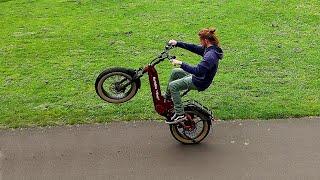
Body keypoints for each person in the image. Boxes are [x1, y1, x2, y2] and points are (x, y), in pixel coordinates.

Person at [164, 28, 224, 124]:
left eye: (200, 40)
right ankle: (167, 99)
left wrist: (180, 63)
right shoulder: (209, 48)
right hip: (200, 77)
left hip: (200, 81)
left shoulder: (211, 56)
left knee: (173, 86)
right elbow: (193, 47)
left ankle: (180, 114)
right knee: (175, 72)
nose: (200, 43)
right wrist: (177, 43)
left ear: (205, 40)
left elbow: (197, 71)